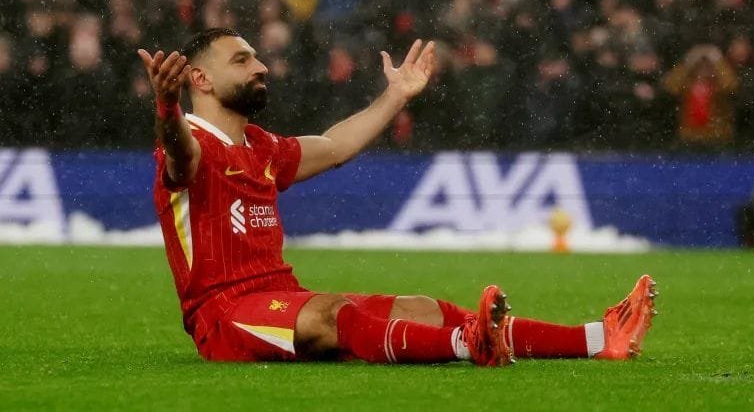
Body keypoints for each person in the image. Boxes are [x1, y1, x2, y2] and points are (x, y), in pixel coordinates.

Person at [137, 27, 658, 366]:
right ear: (200, 78)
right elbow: (181, 155)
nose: (261, 67)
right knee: (334, 314)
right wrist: (167, 108)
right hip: (225, 315)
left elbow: (337, 146)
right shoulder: (187, 144)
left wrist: (396, 95)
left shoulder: (261, 146)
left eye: (256, 57)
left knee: (425, 309)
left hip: (280, 296)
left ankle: (598, 338)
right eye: (242, 59)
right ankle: (469, 347)